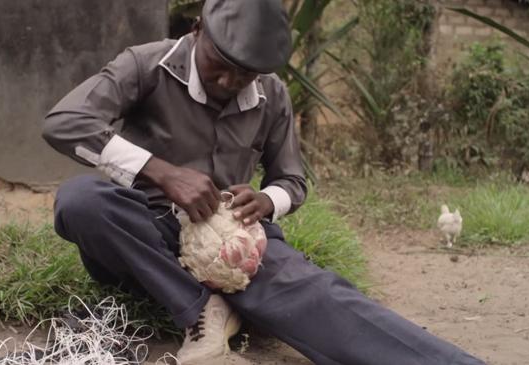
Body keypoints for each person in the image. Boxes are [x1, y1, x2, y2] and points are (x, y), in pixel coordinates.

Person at [42, 0, 486, 364]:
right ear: (199, 29)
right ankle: (202, 309)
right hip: (146, 238)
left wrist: (268, 202)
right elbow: (64, 122)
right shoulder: (145, 64)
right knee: (81, 201)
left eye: (246, 73)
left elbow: (292, 179)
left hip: (235, 246)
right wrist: (161, 172)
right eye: (222, 64)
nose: (230, 81)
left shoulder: (272, 94)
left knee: (323, 296)